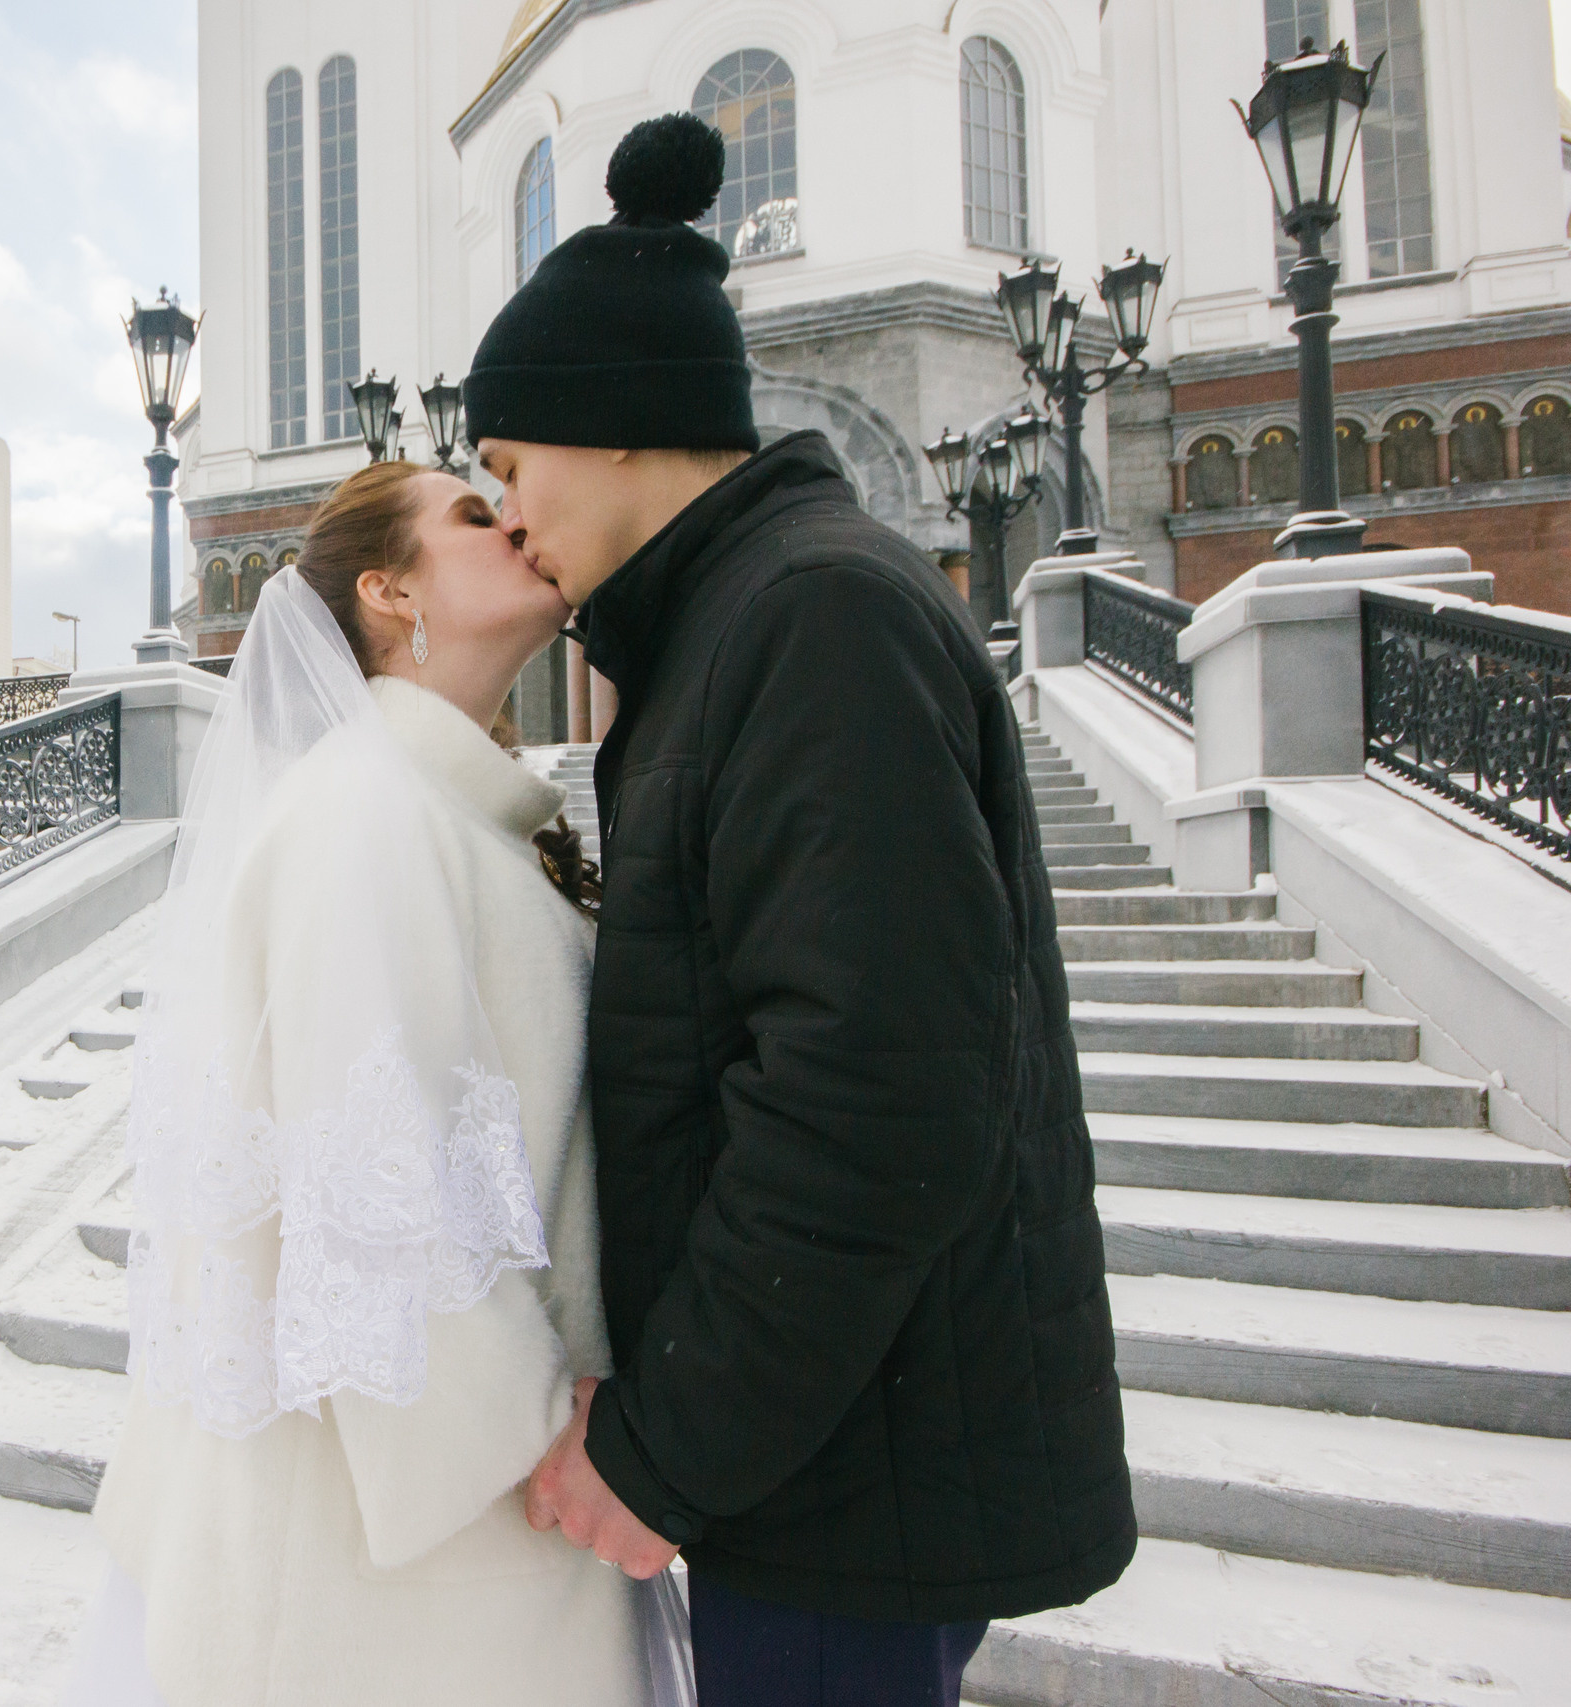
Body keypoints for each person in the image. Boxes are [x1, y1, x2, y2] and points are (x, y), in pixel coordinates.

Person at [473, 115, 1137, 1705]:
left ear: (616, 424)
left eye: (509, 463)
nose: (503, 514)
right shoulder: (741, 621)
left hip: (856, 1479)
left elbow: (875, 1090)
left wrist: (663, 1446)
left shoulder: (812, 617)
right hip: (834, 1463)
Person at [70, 459, 692, 1707]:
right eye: (472, 514)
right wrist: (560, 1447)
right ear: (388, 591)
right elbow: (370, 1196)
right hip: (405, 1564)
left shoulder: (463, 821)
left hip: (499, 1522)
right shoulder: (359, 813)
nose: (513, 520)